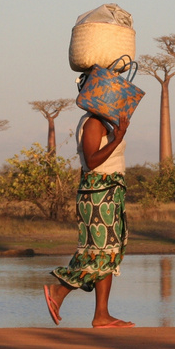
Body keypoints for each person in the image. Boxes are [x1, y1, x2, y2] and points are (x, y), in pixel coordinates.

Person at [43, 110, 134, 328]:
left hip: (108, 193)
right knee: (101, 254)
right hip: (99, 194)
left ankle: (101, 315)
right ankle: (59, 291)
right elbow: (92, 161)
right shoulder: (94, 122)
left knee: (106, 252)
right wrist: (119, 138)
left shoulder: (104, 122)